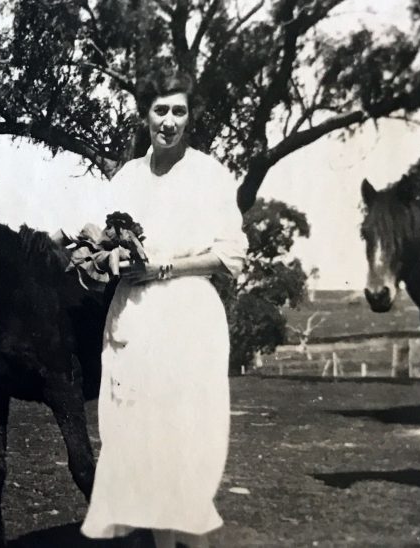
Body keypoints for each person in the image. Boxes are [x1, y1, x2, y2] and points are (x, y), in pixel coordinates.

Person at [79, 69, 247, 548]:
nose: (169, 121)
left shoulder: (209, 174)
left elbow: (231, 255)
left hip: (188, 321)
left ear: (190, 117)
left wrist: (164, 268)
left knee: (183, 452)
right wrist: (110, 256)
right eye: (160, 110)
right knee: (139, 449)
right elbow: (99, 243)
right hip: (133, 320)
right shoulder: (128, 178)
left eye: (179, 110)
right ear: (144, 115)